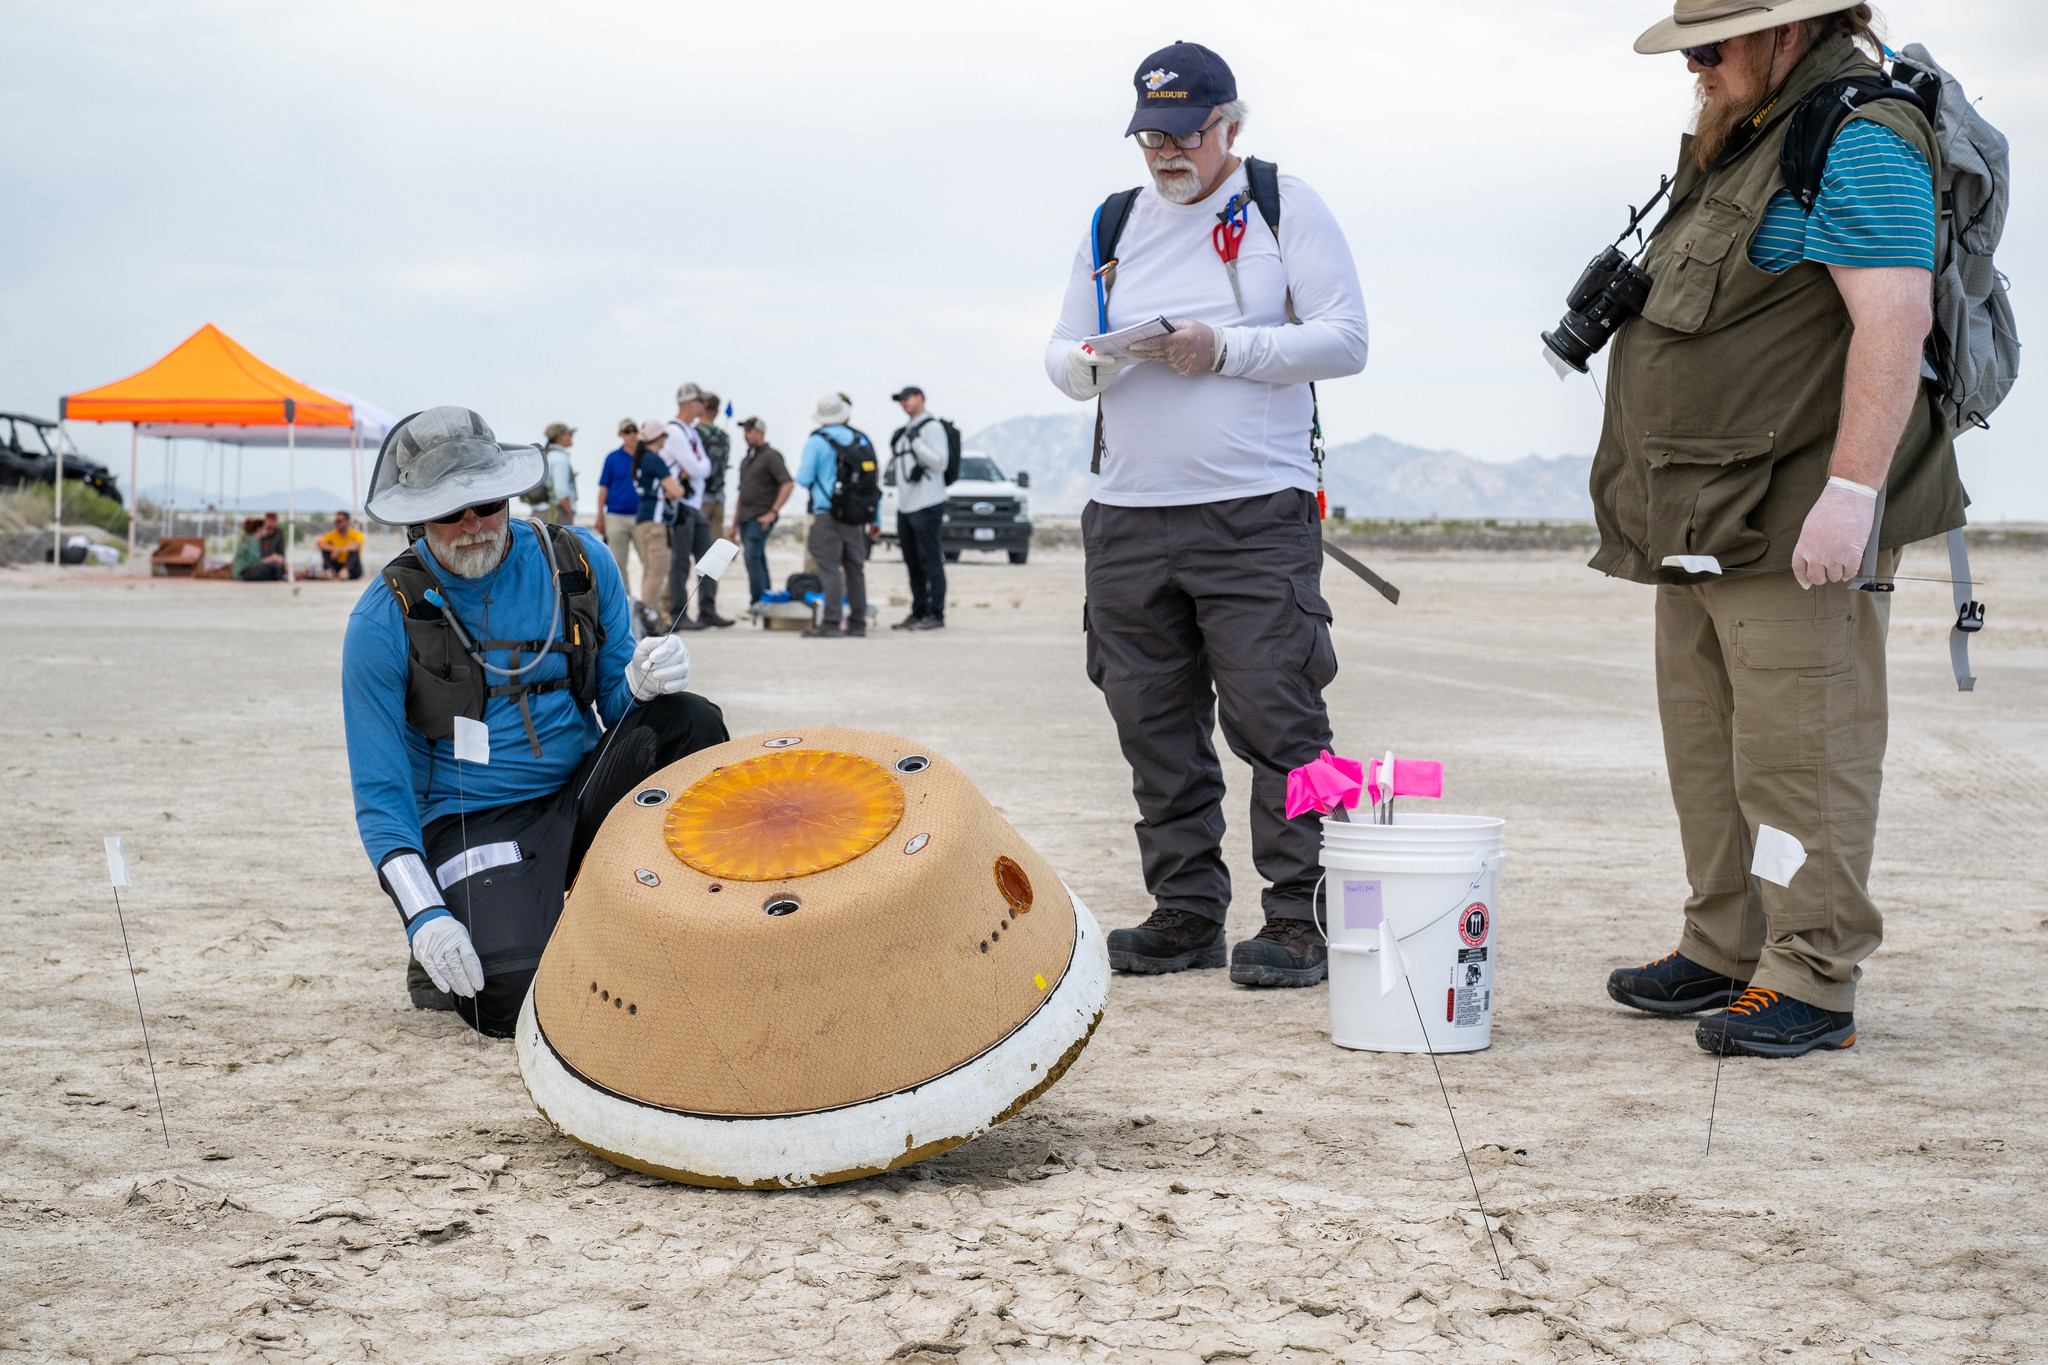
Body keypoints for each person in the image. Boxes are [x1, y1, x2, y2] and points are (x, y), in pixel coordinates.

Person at [1595, 4, 1965, 1059]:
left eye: (1711, 49)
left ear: (1787, 32)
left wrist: (1851, 491)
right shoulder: (1752, 130)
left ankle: (1809, 972)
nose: (1696, 72)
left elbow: (1892, 314)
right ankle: (1722, 942)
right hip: (1700, 513)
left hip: (1790, 514)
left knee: (1803, 752)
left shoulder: (1855, 132)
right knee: (1708, 747)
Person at [1044, 42, 1369, 989]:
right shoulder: (1112, 221)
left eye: (1184, 134)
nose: (1165, 153)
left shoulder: (1282, 205)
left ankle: (1303, 914)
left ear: (1230, 125)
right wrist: (1094, 364)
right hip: (1128, 516)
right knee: (1151, 721)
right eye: (1151, 135)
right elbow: (1061, 353)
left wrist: (1217, 348)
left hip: (1253, 514)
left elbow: (1346, 341)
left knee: (1287, 715)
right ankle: (1185, 910)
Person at [345, 406, 726, 1037]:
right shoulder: (381, 621)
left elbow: (617, 705)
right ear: (415, 515)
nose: (473, 526)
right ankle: (461, 926)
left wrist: (642, 681)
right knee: (513, 1001)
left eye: (489, 503)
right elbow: (382, 799)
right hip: (470, 825)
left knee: (687, 720)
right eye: (449, 511)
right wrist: (423, 916)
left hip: (579, 797)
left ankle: (693, 921)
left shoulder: (581, 562)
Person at [793, 392, 881, 638]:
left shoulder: (817, 441)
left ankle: (831, 622)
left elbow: (804, 478)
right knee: (855, 568)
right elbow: (873, 481)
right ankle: (858, 623)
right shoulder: (862, 439)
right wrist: (876, 518)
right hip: (857, 516)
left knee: (830, 568)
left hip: (827, 514)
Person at [661, 384, 729, 631]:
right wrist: (696, 467)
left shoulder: (691, 432)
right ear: (689, 402)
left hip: (694, 505)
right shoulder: (674, 432)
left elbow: (704, 467)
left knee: (710, 559)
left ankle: (707, 610)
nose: (704, 405)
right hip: (680, 506)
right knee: (680, 562)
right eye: (700, 400)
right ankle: (679, 613)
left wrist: (696, 467)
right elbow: (698, 466)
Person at [888, 385, 948, 631]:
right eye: (900, 400)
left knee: (930, 560)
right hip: (906, 506)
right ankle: (919, 610)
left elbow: (940, 462)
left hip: (927, 503)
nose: (903, 403)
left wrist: (917, 443)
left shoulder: (932, 428)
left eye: (906, 398)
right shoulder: (904, 431)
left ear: (920, 398)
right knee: (912, 561)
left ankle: (936, 613)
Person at [730, 416, 794, 605]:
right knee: (757, 558)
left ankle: (758, 601)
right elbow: (742, 494)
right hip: (745, 518)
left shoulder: (771, 456)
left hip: (760, 517)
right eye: (744, 431)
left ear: (760, 432)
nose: (746, 435)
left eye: (749, 431)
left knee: (752, 558)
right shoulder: (746, 460)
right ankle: (765, 599)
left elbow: (788, 483)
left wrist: (773, 511)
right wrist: (733, 526)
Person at [633, 419, 676, 628]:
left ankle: (651, 615)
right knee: (657, 571)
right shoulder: (653, 459)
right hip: (655, 522)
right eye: (665, 435)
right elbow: (676, 490)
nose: (666, 439)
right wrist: (674, 488)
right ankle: (650, 619)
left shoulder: (642, 459)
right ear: (657, 437)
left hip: (644, 520)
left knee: (650, 570)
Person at [593, 419, 642, 584]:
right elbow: (603, 488)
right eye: (627, 432)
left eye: (634, 430)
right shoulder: (612, 458)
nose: (632, 435)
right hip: (615, 516)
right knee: (618, 563)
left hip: (642, 516)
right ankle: (626, 600)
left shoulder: (646, 456)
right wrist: (600, 516)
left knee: (648, 560)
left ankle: (650, 604)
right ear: (621, 435)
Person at [697, 394, 731, 543]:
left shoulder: (694, 434)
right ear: (717, 411)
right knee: (714, 548)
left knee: (693, 544)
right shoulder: (724, 436)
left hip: (699, 497)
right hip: (719, 496)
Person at [536, 423, 577, 525]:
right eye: (569, 434)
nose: (572, 437)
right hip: (556, 513)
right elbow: (561, 491)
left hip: (540, 512)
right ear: (560, 436)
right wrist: (569, 512)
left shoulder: (546, 455)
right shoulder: (559, 458)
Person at [233, 516, 288, 581]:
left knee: (273, 568)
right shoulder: (252, 541)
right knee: (270, 569)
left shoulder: (254, 540)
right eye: (265, 528)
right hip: (243, 572)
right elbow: (256, 562)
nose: (267, 530)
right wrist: (273, 558)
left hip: (248, 569)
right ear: (259, 529)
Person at [317, 510, 366, 580]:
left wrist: (339, 550)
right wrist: (333, 549)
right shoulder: (332, 535)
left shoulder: (356, 534)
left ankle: (345, 571)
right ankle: (330, 571)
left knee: (353, 550)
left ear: (347, 522)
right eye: (336, 522)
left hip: (353, 569)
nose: (337, 524)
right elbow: (320, 544)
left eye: (339, 521)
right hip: (338, 565)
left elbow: (357, 546)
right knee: (325, 549)